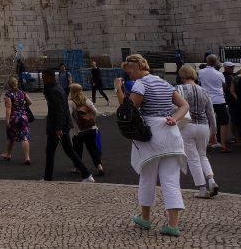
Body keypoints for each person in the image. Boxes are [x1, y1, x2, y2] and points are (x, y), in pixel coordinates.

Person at [117, 54, 188, 238]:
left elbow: (129, 110)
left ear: (137, 67)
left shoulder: (141, 84)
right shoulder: (164, 83)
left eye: (130, 71)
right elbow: (184, 105)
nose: (130, 77)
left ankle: (145, 218)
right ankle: (173, 225)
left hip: (151, 134)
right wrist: (175, 118)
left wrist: (119, 91)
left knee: (147, 177)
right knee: (171, 180)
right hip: (171, 134)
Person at [175, 65, 219, 198]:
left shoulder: (178, 89)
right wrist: (214, 131)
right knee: (203, 155)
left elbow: (173, 107)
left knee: (193, 158)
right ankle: (211, 180)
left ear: (181, 76)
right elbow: (211, 113)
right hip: (204, 126)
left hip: (187, 125)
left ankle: (202, 188)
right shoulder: (204, 91)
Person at [69, 83, 104, 176]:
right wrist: (91, 118)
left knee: (77, 150)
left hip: (78, 131)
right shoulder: (87, 101)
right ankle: (99, 166)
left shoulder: (72, 103)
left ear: (72, 92)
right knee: (93, 148)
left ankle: (78, 168)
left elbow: (68, 115)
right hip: (91, 128)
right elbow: (96, 111)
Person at [198, 55, 231, 152]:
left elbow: (199, 83)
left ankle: (204, 144)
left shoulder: (200, 72)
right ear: (216, 62)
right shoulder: (219, 74)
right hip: (219, 100)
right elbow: (224, 86)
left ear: (206, 61)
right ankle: (223, 145)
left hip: (206, 99)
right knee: (223, 122)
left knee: (206, 122)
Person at [0, 75, 32, 164]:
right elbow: (30, 102)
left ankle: (8, 154)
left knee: (11, 136)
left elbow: (8, 108)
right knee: (24, 136)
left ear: (9, 85)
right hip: (23, 116)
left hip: (14, 117)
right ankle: (27, 157)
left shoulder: (8, 95)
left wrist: (7, 120)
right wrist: (22, 108)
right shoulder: (22, 92)